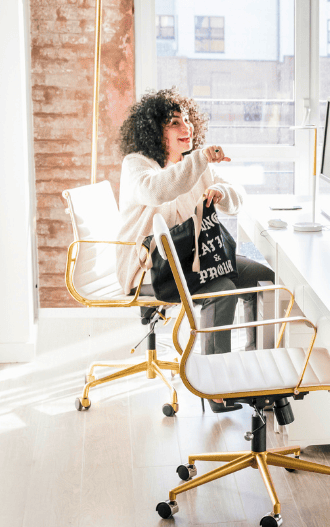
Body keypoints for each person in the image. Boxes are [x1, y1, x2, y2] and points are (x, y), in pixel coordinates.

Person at [115, 88, 274, 366]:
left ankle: (254, 360)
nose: (185, 127)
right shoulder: (136, 165)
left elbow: (238, 195)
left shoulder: (194, 165)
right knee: (222, 290)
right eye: (174, 122)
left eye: (187, 120)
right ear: (154, 131)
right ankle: (216, 382)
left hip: (195, 259)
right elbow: (157, 190)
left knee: (265, 278)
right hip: (151, 268)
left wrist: (222, 192)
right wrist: (200, 159)